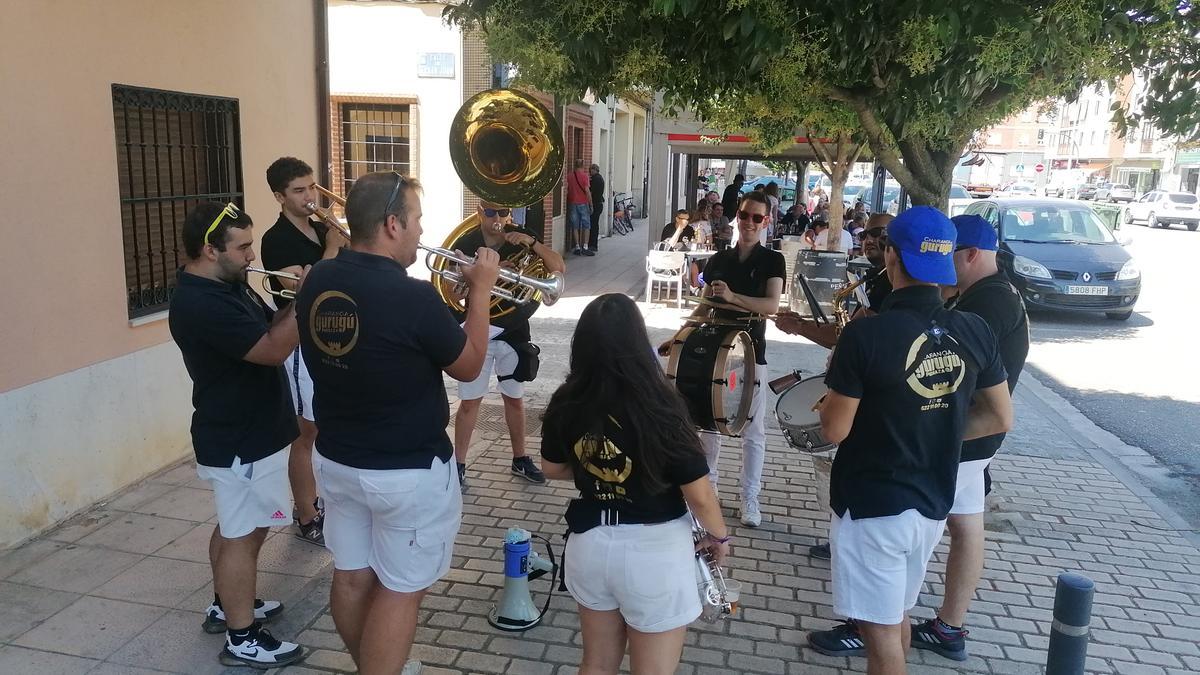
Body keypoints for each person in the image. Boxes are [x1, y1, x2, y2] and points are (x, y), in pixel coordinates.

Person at [296, 172, 500, 674]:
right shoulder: (412, 297)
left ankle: (376, 664)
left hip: (339, 460)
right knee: (401, 590)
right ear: (391, 224)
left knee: (349, 577)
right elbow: (470, 366)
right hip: (406, 472)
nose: (420, 232)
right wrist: (480, 292)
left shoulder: (317, 280)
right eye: (416, 222)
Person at [806, 206, 1014, 675]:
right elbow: (1000, 415)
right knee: (895, 616)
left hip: (872, 504)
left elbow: (834, 429)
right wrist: (932, 430)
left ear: (893, 259)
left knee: (879, 640)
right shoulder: (973, 328)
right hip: (932, 503)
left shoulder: (868, 334)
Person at [541, 293, 729, 675]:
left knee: (596, 663)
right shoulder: (661, 405)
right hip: (654, 553)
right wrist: (720, 538)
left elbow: (550, 467)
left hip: (589, 545)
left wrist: (593, 469)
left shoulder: (567, 399)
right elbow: (700, 495)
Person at [168, 201, 305, 669]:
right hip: (239, 436)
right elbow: (270, 349)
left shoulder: (225, 285)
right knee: (243, 535)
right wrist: (307, 299)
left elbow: (267, 325)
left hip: (250, 431)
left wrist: (288, 298)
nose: (251, 255)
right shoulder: (202, 301)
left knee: (238, 526)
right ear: (210, 249)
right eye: (242, 247)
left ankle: (225, 603)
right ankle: (241, 637)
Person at [911, 215, 1030, 661]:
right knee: (965, 525)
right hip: (972, 437)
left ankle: (884, 620)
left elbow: (946, 360)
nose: (943, 267)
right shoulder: (988, 293)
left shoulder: (989, 302)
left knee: (919, 527)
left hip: (962, 437)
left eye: (948, 256)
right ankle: (949, 626)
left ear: (972, 254)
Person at [660, 191, 785, 527]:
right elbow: (704, 306)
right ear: (737, 216)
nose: (749, 223)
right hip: (714, 352)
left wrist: (731, 297)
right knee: (707, 425)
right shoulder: (718, 260)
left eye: (757, 218)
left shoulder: (773, 260)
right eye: (745, 215)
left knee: (753, 431)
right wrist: (677, 338)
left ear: (766, 221)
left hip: (751, 352)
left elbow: (771, 306)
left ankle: (750, 498)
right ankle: (708, 490)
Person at [260, 156, 348, 546]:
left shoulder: (320, 227)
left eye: (312, 187)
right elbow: (300, 290)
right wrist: (331, 248)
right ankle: (305, 513)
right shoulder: (275, 239)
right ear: (279, 196)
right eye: (299, 190)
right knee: (305, 431)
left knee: (325, 424)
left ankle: (318, 500)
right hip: (298, 341)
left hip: (334, 334)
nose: (310, 196)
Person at [452, 199, 565, 490]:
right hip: (478, 331)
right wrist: (481, 277)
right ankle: (458, 464)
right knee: (469, 403)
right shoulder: (466, 242)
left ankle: (520, 458)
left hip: (513, 331)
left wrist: (532, 242)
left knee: (514, 399)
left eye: (503, 211)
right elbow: (452, 292)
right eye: (491, 212)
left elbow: (558, 267)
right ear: (479, 212)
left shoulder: (521, 237)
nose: (498, 218)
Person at [567, 159, 594, 256]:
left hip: (572, 203)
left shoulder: (569, 176)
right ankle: (585, 246)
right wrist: (591, 204)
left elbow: (567, 189)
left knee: (575, 225)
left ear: (574, 165)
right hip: (583, 203)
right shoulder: (585, 176)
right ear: (583, 166)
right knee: (586, 225)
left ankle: (577, 246)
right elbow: (587, 191)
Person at [588, 163, 605, 253]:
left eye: (590, 170)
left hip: (595, 204)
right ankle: (593, 244)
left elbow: (591, 192)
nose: (589, 172)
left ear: (594, 170)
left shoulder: (595, 179)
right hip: (599, 204)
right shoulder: (600, 178)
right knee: (595, 224)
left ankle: (593, 245)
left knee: (593, 225)